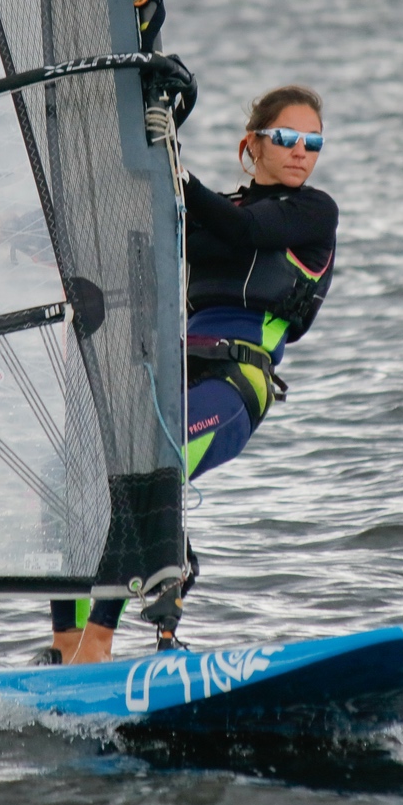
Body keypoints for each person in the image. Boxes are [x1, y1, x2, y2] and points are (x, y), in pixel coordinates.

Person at [47, 85, 337, 664]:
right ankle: (64, 646)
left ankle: (99, 642)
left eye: (313, 142)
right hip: (175, 376)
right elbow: (147, 230)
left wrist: (174, 165)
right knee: (68, 481)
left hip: (236, 384)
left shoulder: (312, 213)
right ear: (250, 144)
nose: (301, 152)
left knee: (151, 475)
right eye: (286, 138)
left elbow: (247, 232)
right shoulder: (214, 210)